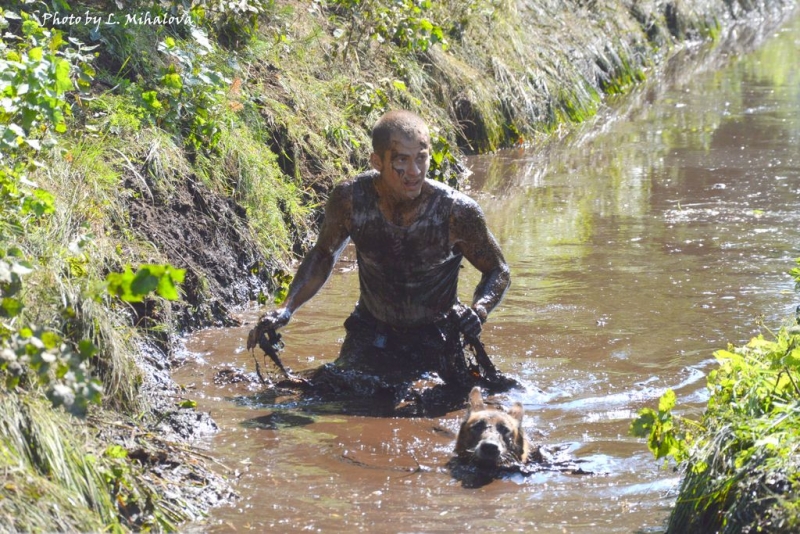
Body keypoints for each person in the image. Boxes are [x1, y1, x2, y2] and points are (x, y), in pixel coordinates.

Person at [246, 110, 511, 413]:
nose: (414, 171)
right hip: (372, 331)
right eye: (400, 160)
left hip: (437, 337)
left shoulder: (456, 212)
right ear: (377, 162)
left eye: (421, 158)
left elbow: (498, 270)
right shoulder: (350, 200)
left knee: (431, 410)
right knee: (335, 400)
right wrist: (286, 308)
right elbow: (323, 254)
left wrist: (480, 309)